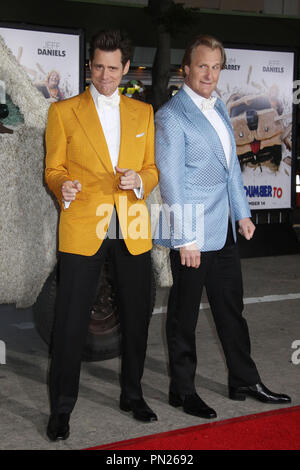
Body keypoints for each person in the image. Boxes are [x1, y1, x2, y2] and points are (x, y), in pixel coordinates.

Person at [154, 34, 291, 419]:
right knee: (184, 318)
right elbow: (173, 183)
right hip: (192, 235)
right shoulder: (170, 117)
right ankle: (182, 391)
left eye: (216, 67)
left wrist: (243, 214)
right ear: (186, 68)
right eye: (202, 65)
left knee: (232, 310)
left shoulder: (217, 108)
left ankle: (243, 379)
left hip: (224, 232)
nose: (209, 74)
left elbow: (230, 169)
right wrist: (185, 239)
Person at [45, 30, 159, 441]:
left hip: (131, 226)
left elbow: (152, 169)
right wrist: (63, 187)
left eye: (113, 68)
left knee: (136, 317)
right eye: (98, 67)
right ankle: (61, 408)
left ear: (126, 68)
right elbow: (52, 169)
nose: (105, 76)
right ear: (89, 66)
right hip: (82, 226)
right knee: (70, 322)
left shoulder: (143, 113)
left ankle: (133, 394)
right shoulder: (63, 112)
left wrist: (140, 180)